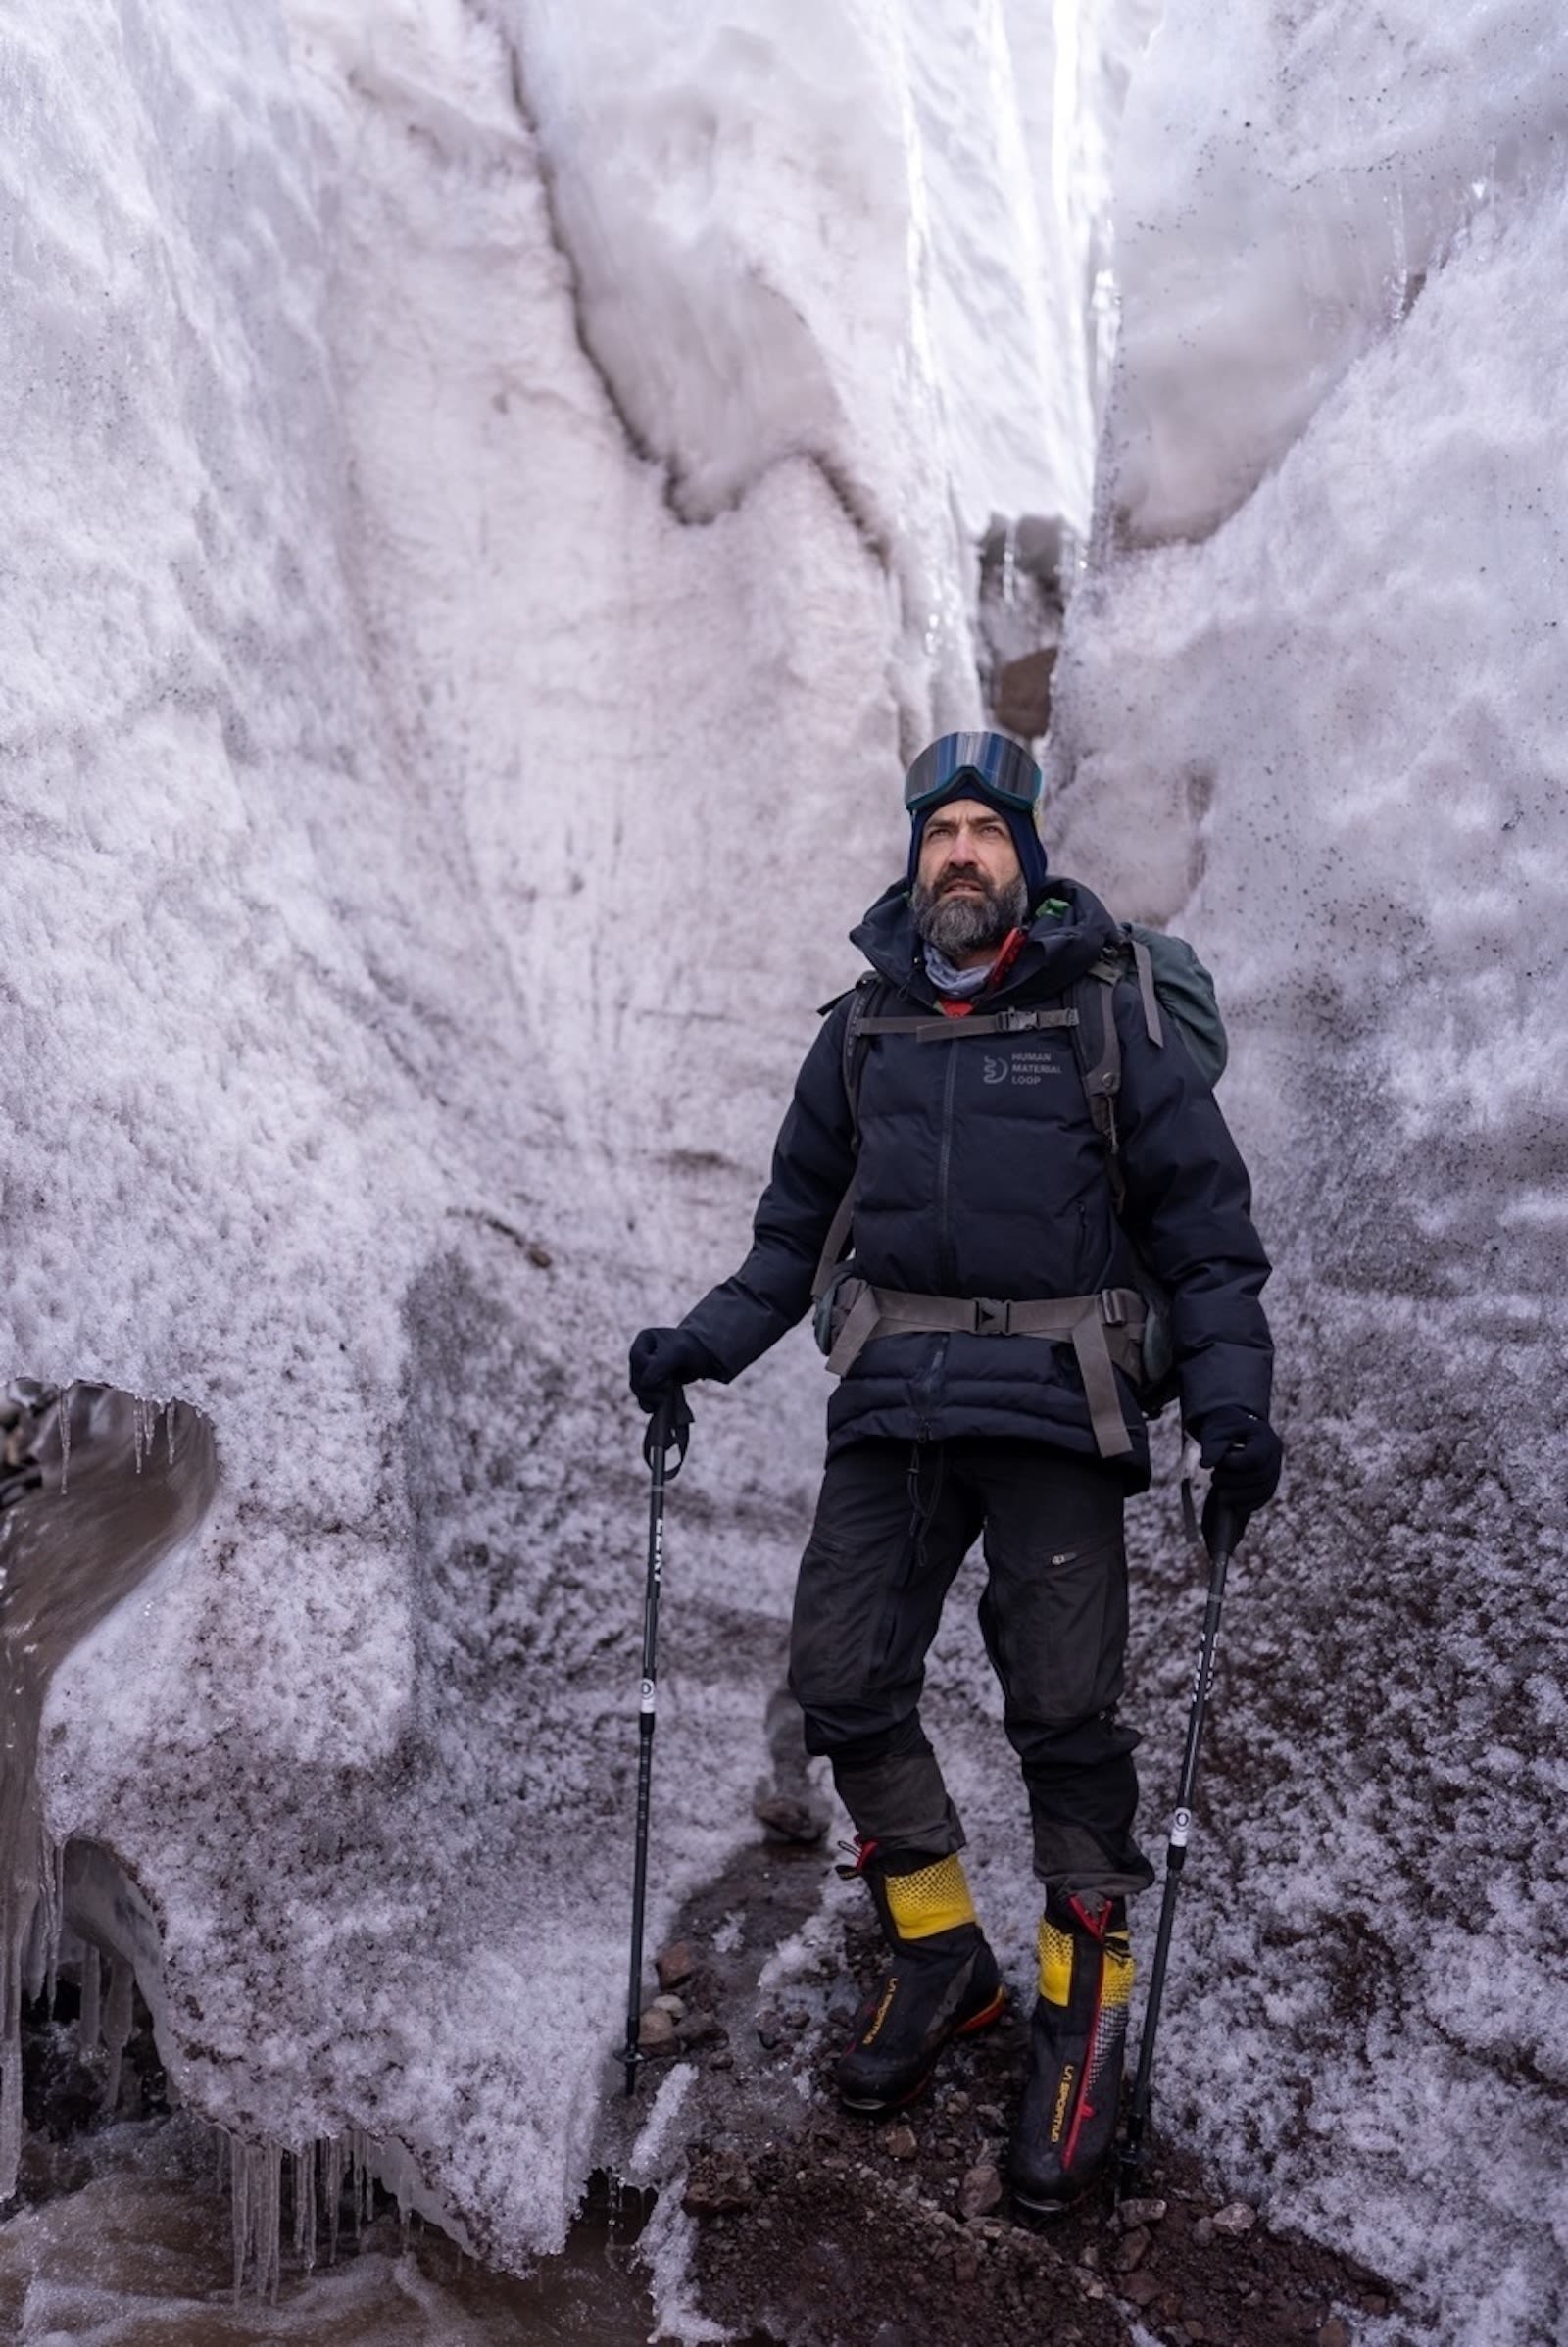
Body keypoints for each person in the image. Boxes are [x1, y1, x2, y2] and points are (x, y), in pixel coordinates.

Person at [628, 730, 1280, 2211]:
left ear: (1028, 858)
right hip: (893, 1416)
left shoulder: (1109, 1017)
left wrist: (1234, 1412)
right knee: (845, 1682)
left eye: (988, 831)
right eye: (942, 835)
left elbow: (1207, 1237)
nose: (963, 855)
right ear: (916, 859)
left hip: (1060, 1414)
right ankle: (942, 1957)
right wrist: (701, 1346)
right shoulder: (860, 1029)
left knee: (1065, 1723)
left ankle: (1079, 2022)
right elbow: (791, 1242)